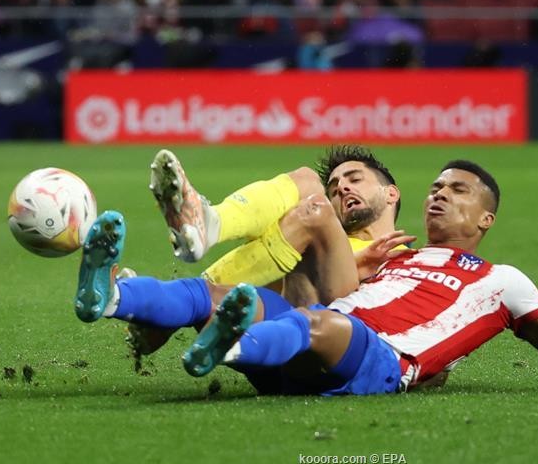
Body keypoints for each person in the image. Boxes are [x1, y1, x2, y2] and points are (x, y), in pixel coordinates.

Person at [79, 160, 538, 394]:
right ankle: (109, 298)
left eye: (457, 191)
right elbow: (331, 280)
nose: (440, 197)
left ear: (485, 216)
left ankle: (233, 343)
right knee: (216, 295)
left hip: (382, 362)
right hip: (318, 336)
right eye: (436, 188)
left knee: (319, 325)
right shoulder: (396, 255)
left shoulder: (502, 279)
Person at [77, 145, 411, 356]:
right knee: (304, 208)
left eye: (355, 179)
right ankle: (123, 298)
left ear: (391, 193)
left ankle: (160, 318)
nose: (342, 189)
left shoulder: (406, 257)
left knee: (308, 187)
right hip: (270, 326)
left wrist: (358, 263)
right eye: (335, 187)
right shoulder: (321, 230)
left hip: (329, 340)